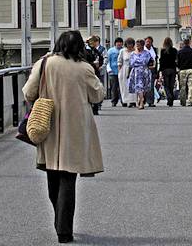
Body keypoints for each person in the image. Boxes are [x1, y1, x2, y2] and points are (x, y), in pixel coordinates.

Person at [22, 30, 104, 244]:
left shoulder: (45, 63)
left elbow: (29, 92)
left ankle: (60, 222)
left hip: (48, 125)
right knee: (68, 177)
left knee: (52, 176)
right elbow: (97, 95)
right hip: (75, 128)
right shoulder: (84, 68)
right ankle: (64, 229)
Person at [128, 39, 153, 109]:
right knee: (139, 87)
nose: (137, 47)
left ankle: (141, 98)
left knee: (144, 88)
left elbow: (145, 61)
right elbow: (131, 63)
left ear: (142, 45)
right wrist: (139, 62)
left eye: (139, 45)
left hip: (144, 72)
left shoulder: (147, 53)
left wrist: (137, 62)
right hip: (136, 72)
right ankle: (141, 102)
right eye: (137, 45)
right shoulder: (133, 53)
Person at [85, 37, 103, 115]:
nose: (96, 44)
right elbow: (85, 61)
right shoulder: (85, 51)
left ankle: (96, 107)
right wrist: (93, 63)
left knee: (96, 88)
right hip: (89, 72)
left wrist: (99, 64)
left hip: (95, 71)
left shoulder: (96, 51)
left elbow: (101, 59)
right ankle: (92, 106)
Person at [177, 37, 192, 107]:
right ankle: (190, 101)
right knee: (191, 86)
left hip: (182, 70)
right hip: (191, 70)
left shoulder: (179, 52)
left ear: (183, 43)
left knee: (182, 86)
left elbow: (178, 63)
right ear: (189, 43)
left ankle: (183, 101)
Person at [117, 37, 136, 107]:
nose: (130, 45)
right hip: (124, 69)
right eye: (128, 44)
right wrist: (119, 71)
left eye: (131, 44)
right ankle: (125, 100)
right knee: (124, 86)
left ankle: (133, 101)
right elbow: (119, 61)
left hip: (133, 69)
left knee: (133, 85)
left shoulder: (135, 51)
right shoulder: (122, 51)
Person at [159, 37, 178, 107]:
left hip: (165, 70)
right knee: (171, 85)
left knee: (166, 85)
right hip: (172, 69)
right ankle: (171, 99)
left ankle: (169, 97)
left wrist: (160, 70)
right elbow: (176, 60)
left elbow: (161, 61)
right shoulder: (174, 50)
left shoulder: (162, 51)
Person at [107, 37, 123, 107]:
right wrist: (109, 69)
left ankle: (123, 101)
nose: (119, 43)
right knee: (114, 87)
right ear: (115, 43)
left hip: (122, 71)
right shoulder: (110, 51)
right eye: (117, 42)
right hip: (113, 71)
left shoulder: (123, 50)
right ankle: (114, 101)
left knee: (122, 87)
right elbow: (107, 61)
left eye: (120, 42)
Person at [144, 36, 158, 107]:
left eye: (149, 42)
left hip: (152, 69)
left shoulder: (154, 50)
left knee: (151, 86)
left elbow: (156, 61)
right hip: (143, 69)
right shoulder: (142, 50)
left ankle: (150, 101)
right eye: (147, 42)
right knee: (143, 85)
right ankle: (142, 100)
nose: (148, 43)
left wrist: (156, 72)